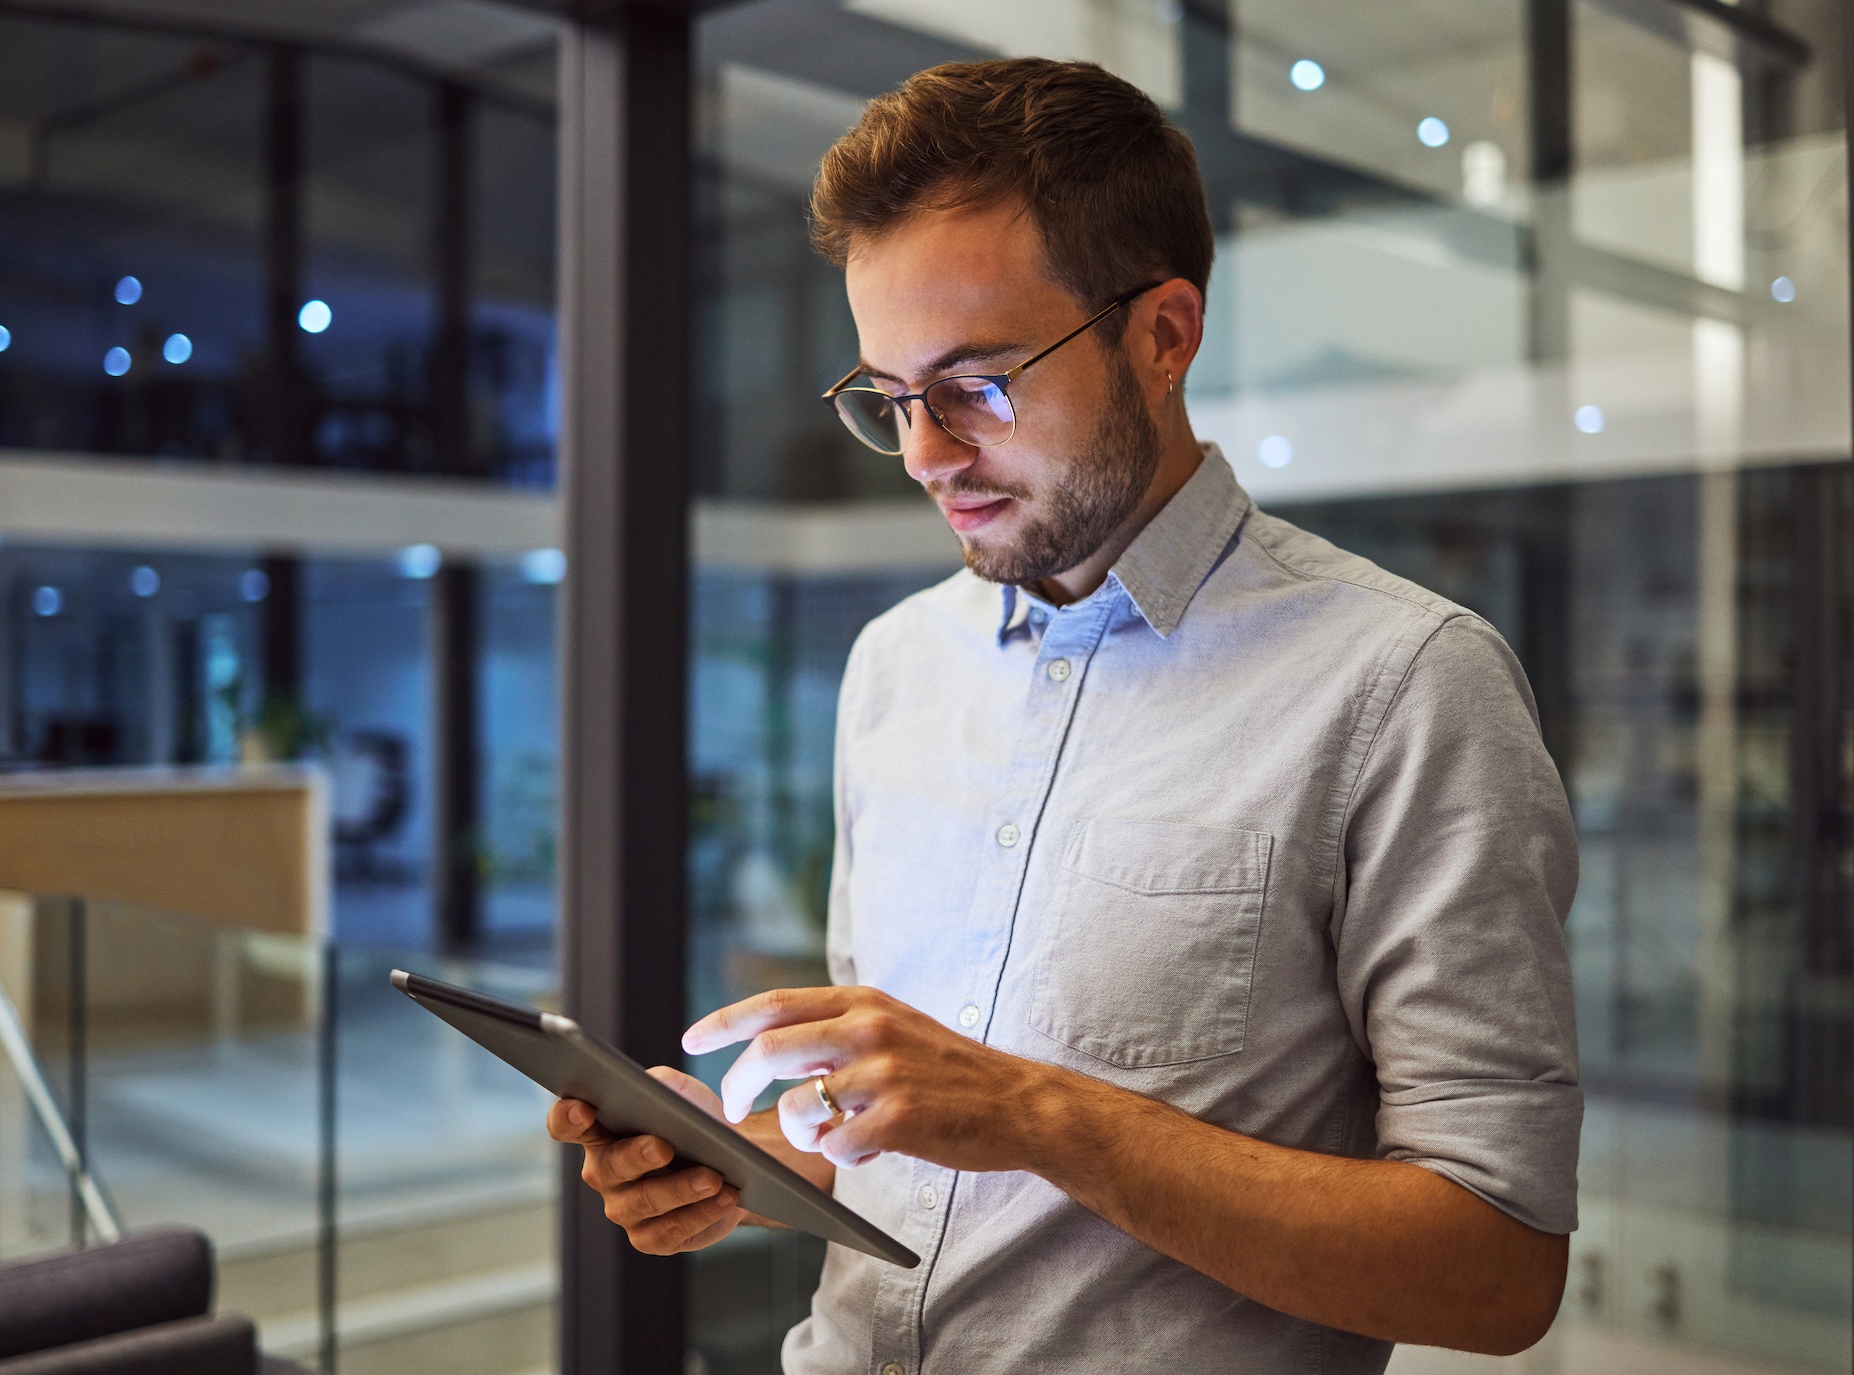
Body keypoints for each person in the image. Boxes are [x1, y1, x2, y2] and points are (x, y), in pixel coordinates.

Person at [548, 57, 1580, 1375]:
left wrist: (1041, 1113)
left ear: (1162, 334)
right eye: (889, 394)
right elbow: (904, 1126)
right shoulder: (895, 666)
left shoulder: (1405, 683)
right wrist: (749, 1164)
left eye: (977, 384)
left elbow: (1497, 1271)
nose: (923, 454)